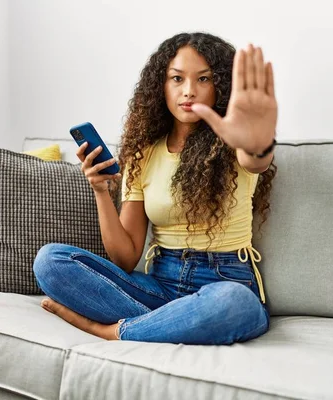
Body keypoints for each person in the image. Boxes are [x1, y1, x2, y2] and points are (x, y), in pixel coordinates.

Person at [33, 32, 278, 345]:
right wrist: (100, 190)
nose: (189, 91)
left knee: (234, 303)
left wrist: (258, 139)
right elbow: (124, 258)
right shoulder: (143, 154)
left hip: (224, 280)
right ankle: (169, 323)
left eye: (204, 79)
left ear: (221, 86)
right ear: (160, 85)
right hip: (160, 288)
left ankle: (113, 331)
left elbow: (257, 158)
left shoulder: (235, 142)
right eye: (177, 78)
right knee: (50, 262)